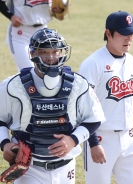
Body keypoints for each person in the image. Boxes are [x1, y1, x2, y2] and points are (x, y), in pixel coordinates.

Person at [0, 28, 105, 184]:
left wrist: (73, 140)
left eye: (55, 52)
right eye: (44, 52)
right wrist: (5, 143)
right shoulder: (12, 86)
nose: (50, 57)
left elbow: (94, 118)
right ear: (32, 54)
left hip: (66, 168)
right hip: (30, 169)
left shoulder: (78, 84)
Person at [79, 10, 133, 184]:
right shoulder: (93, 64)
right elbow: (82, 107)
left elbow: (128, 105)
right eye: (123, 33)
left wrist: (132, 141)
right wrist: (93, 143)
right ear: (108, 33)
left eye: (131, 34)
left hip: (128, 138)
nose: (128, 39)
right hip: (100, 138)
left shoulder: (132, 62)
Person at [0, 0, 67, 71]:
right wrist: (11, 16)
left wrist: (59, 11)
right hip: (20, 33)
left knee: (46, 69)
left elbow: (57, 9)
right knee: (28, 70)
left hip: (43, 30)